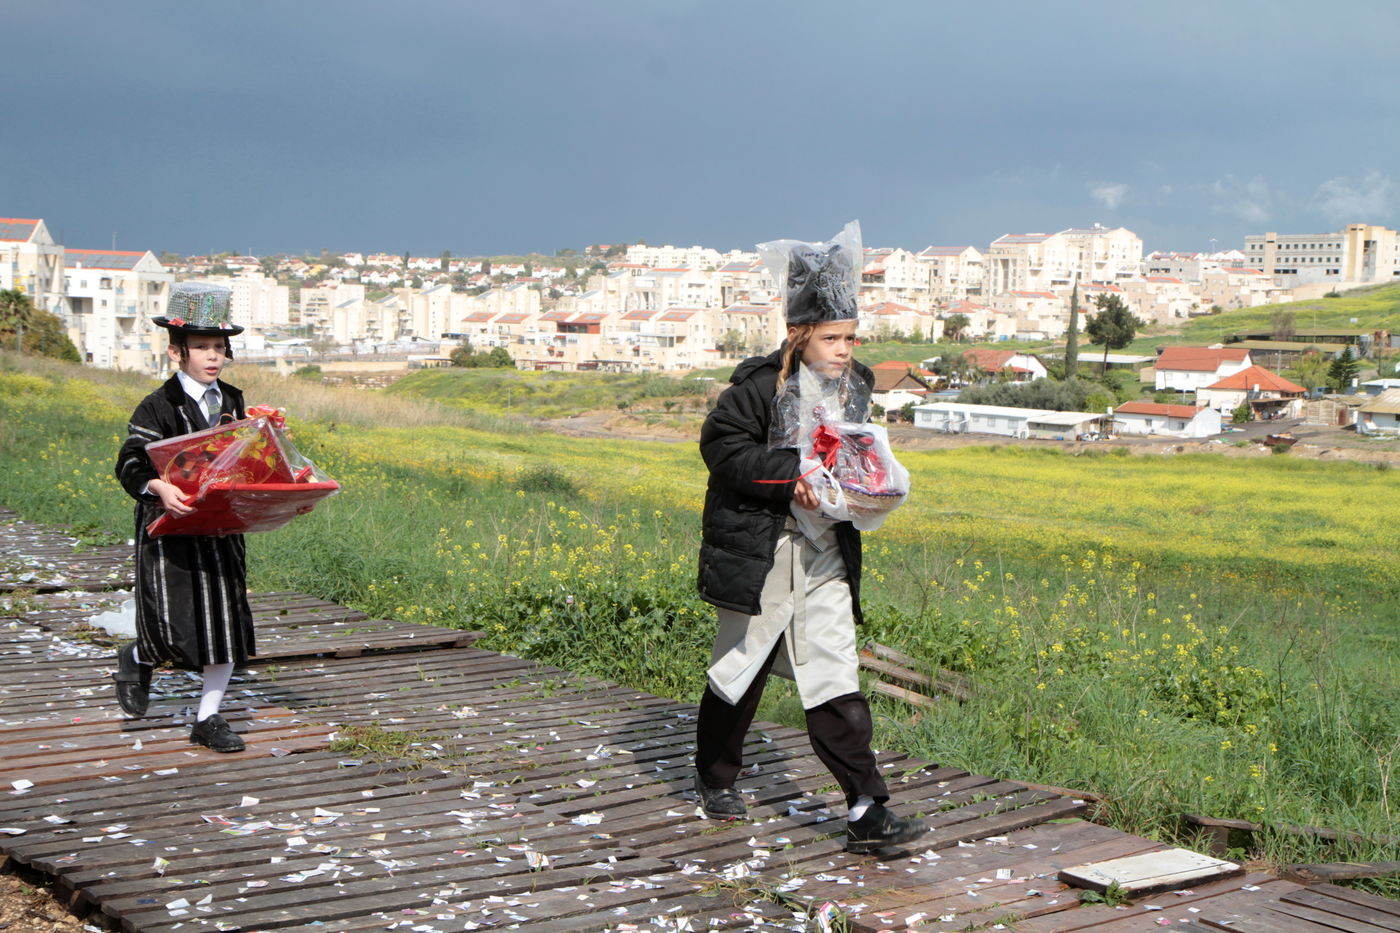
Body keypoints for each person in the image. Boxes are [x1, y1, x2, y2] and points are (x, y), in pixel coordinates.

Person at [693, 223, 927, 854]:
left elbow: (849, 447)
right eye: (832, 337)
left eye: (851, 337)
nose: (845, 349)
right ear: (799, 334)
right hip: (762, 552)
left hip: (827, 553)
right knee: (741, 669)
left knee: (834, 674)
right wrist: (786, 476)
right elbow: (721, 452)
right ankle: (716, 777)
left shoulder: (861, 384)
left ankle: (866, 808)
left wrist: (869, 482)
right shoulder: (755, 388)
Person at [112, 282, 253, 753]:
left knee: (225, 624)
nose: (212, 356)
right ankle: (138, 655)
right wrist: (158, 486)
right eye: (201, 347)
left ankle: (208, 719)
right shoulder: (158, 406)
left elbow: (247, 458)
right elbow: (130, 463)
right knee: (172, 621)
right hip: (169, 527)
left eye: (218, 347)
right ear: (177, 351)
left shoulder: (234, 401)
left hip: (221, 529)